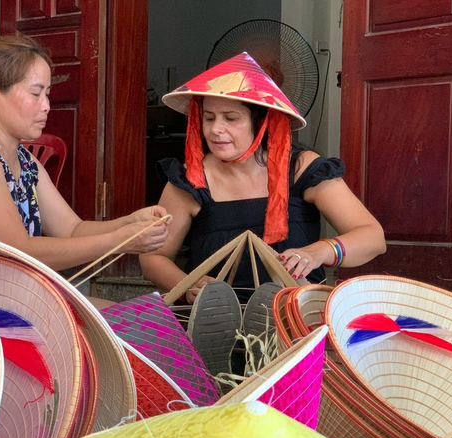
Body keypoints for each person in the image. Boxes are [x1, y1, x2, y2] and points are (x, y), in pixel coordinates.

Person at [139, 53, 385, 304]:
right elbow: (153, 258)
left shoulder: (301, 168)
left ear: (262, 122)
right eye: (209, 117)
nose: (215, 130)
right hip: (213, 321)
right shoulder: (190, 179)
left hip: (294, 319)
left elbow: (373, 237)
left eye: (231, 118)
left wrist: (318, 252)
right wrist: (187, 285)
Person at [0, 35, 169, 271]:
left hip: (0, 301)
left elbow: (71, 229)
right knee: (127, 323)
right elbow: (16, 251)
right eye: (35, 93)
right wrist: (122, 240)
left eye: (48, 94)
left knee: (149, 321)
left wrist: (130, 223)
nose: (46, 106)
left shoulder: (25, 161)